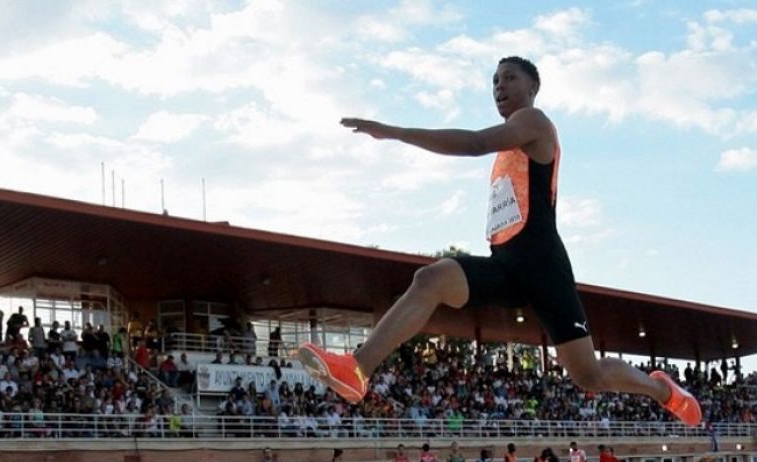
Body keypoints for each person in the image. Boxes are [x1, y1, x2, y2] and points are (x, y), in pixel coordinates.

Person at [296, 56, 701, 428]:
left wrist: (397, 133)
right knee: (430, 279)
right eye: (494, 80)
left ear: (532, 88)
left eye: (509, 78)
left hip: (543, 265)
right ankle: (358, 370)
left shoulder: (535, 123)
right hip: (505, 262)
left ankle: (664, 390)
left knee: (588, 375)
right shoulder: (511, 146)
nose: (499, 86)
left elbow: (473, 143)